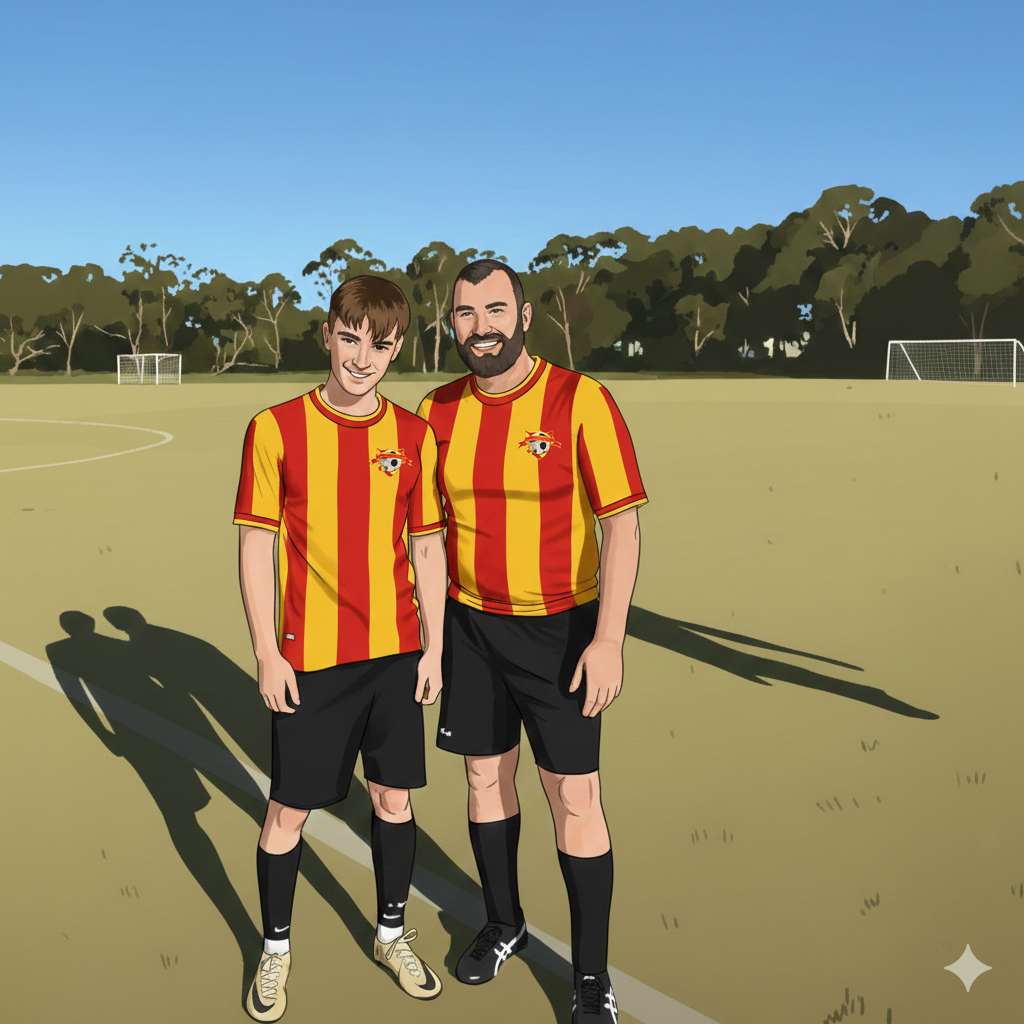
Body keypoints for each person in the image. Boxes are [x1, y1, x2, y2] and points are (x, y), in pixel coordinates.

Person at [416, 259, 645, 1023]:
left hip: (562, 630)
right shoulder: (436, 409)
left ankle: (589, 978)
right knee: (485, 781)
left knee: (574, 797)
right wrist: (433, 641)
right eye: (464, 313)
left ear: (523, 317)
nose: (479, 326)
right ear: (451, 324)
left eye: (494, 310)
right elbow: (429, 535)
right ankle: (504, 923)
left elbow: (622, 525)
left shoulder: (581, 400)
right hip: (472, 625)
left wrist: (608, 639)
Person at [233, 275, 447, 1021]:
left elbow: (427, 548)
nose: (363, 357)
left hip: (394, 654)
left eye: (380, 344)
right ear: (327, 334)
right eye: (350, 338)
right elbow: (256, 547)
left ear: (397, 349)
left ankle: (390, 933)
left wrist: (435, 650)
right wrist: (266, 651)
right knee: (289, 810)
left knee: (393, 799)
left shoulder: (413, 437)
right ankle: (277, 949)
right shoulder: (275, 428)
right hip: (311, 660)